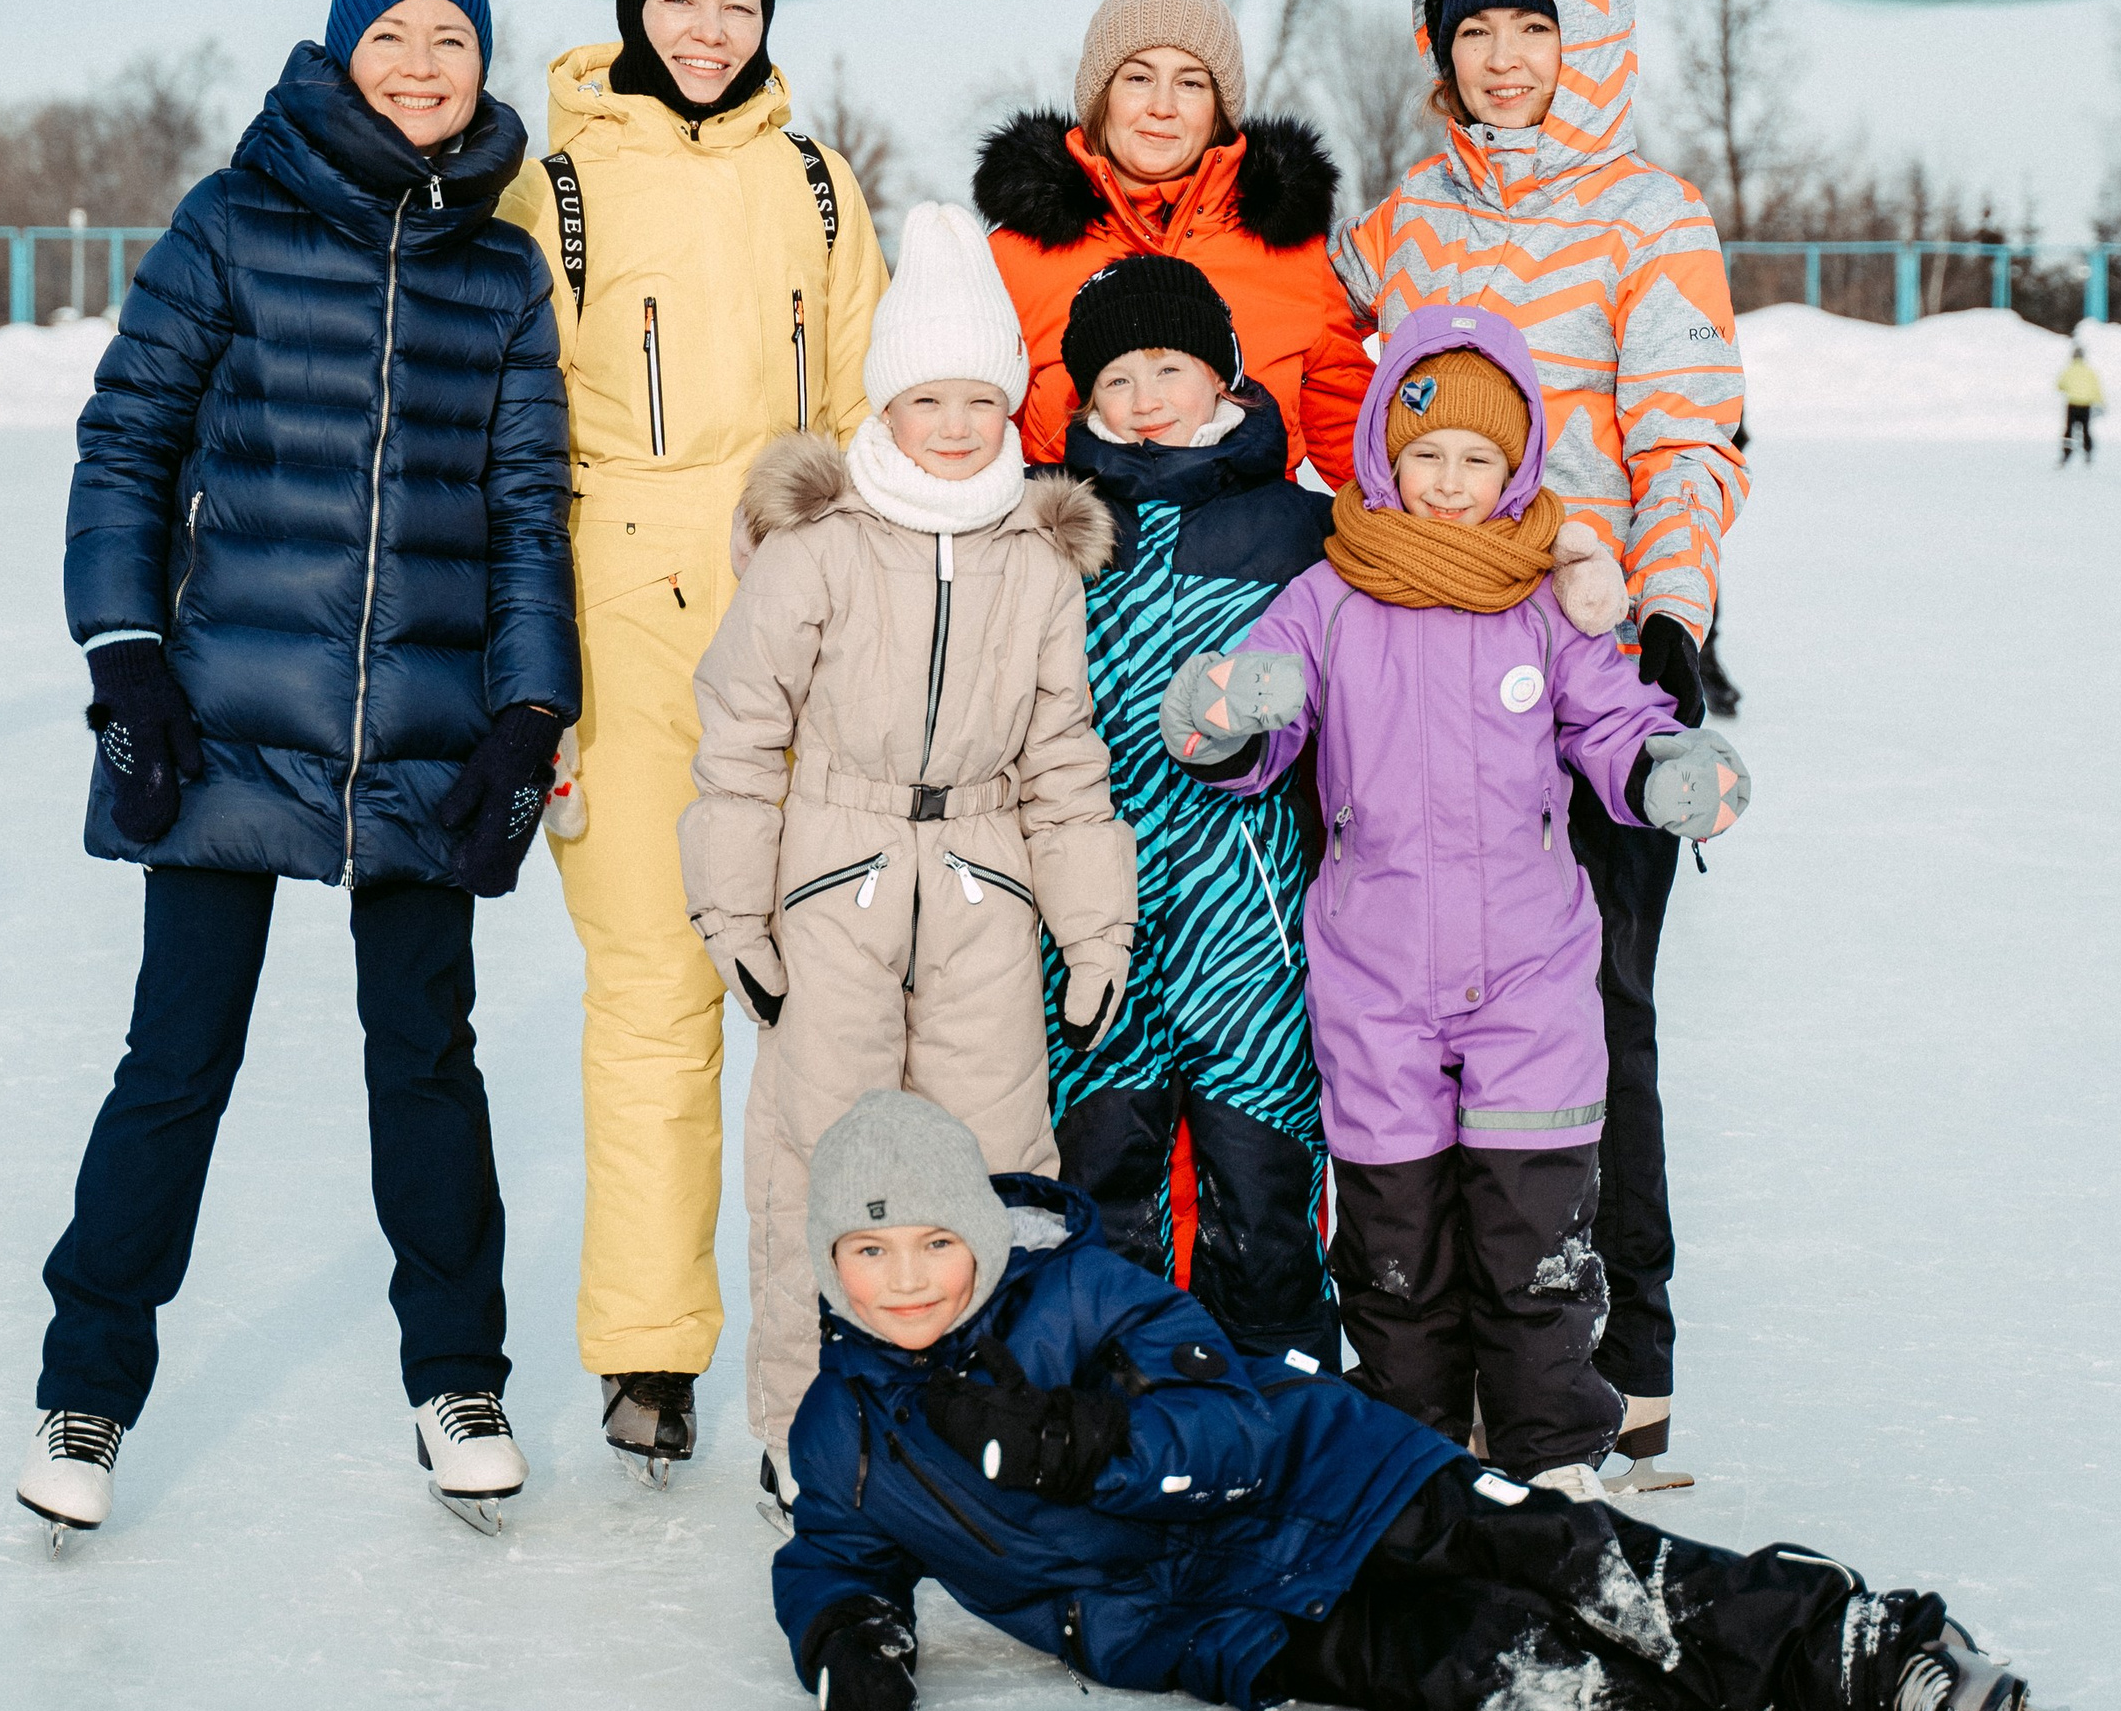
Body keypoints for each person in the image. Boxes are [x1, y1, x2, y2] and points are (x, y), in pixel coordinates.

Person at [16, 0, 580, 1544]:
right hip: (222, 719)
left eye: (450, 42)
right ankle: (87, 1386)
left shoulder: (498, 261)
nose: (423, 65)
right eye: (393, 35)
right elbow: (125, 436)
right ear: (341, 53)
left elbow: (531, 505)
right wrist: (127, 655)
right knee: (176, 1058)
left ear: (480, 66)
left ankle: (458, 1377)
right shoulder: (233, 220)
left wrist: (532, 706)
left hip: (426, 724)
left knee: (427, 1058)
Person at [775, 1091, 2061, 1711]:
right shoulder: (845, 1430)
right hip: (1229, 1623)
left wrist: (1081, 1439)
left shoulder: (1081, 1290)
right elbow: (831, 1547)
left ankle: (1861, 1651)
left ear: (982, 1236)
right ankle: (1735, 1672)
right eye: (871, 1250)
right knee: (1492, 1668)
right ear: (833, 1267)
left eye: (936, 1241)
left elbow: (1221, 1426)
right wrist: (844, 1630)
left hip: (1332, 1473)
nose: (907, 1278)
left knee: (1579, 1561)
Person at [1313, 0, 1748, 1496]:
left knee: (1595, 1011)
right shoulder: (1406, 218)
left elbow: (1694, 430)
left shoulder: (1650, 212)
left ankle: (1623, 1354)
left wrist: (1670, 614)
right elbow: (1334, 388)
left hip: (1589, 646)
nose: (1503, 60)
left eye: (1532, 26)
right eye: (1475, 31)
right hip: (1426, 661)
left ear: (1591, 38)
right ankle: (1461, 1358)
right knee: (1419, 1009)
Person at [1161, 308, 1746, 1488]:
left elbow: (1609, 720)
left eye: (1477, 460)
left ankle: (1555, 1469)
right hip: (1374, 975)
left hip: (1530, 973)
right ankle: (1416, 1477)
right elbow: (1250, 734)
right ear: (1383, 450)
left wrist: (1664, 767)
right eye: (1425, 454)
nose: (1447, 482)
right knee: (1394, 1251)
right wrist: (1225, 713)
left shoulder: (1545, 597)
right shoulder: (1330, 596)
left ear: (1517, 464)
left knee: (1533, 1246)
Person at [501, 0, 888, 1484]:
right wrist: (542, 677)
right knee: (654, 994)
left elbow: (867, 408)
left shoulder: (820, 183)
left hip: (803, 623)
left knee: (835, 1001)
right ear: (635, 12)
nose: (711, 28)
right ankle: (649, 1347)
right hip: (624, 631)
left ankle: (862, 1324)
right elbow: (510, 440)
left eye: (737, 2)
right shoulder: (563, 184)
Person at [680, 203, 1134, 1515]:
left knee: (999, 1153)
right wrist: (738, 910)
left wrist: (1095, 931)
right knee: (820, 1153)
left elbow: (1065, 760)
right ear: (887, 401)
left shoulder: (1036, 563)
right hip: (836, 871)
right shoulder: (819, 546)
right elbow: (742, 734)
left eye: (978, 399)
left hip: (987, 883)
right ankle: (803, 1417)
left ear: (1009, 405)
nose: (952, 424)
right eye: (926, 396)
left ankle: (996, 1415)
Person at [1035, 251, 1335, 1361]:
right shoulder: (1052, 526)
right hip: (1093, 884)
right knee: (1102, 1147)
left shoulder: (1298, 529)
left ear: (1225, 376)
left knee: (1258, 1152)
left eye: (1170, 368)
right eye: (1117, 379)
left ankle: (1280, 1390)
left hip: (1242, 886)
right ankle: (1122, 1394)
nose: (1146, 398)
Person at [974, 0, 1372, 481]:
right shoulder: (1013, 258)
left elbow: (1361, 451)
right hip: (1078, 548)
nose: (1162, 106)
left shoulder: (1290, 255)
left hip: (1256, 551)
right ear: (1102, 97)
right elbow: (972, 441)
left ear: (1218, 110)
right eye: (1138, 78)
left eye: (1190, 83)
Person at [2056, 332, 2103, 465]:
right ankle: (2088, 451)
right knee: (2086, 429)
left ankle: (2066, 452)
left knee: (2069, 429)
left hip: (2073, 404)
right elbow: (2096, 388)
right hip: (2085, 405)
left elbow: (2060, 385)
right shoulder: (2090, 371)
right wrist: (2100, 402)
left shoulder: (2069, 370)